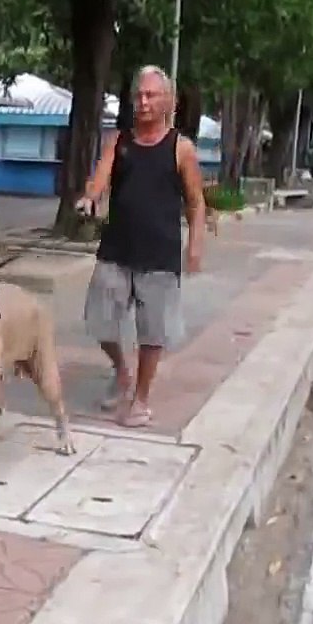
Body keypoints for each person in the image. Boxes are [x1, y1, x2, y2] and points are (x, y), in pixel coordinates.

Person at [75, 65, 206, 427]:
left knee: (152, 332)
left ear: (168, 102)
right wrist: (90, 198)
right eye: (139, 95)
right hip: (116, 248)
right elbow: (99, 179)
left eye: (151, 95)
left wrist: (195, 245)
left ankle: (141, 399)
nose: (143, 102)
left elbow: (196, 202)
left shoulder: (181, 148)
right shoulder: (119, 142)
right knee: (99, 321)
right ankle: (121, 371)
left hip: (160, 254)